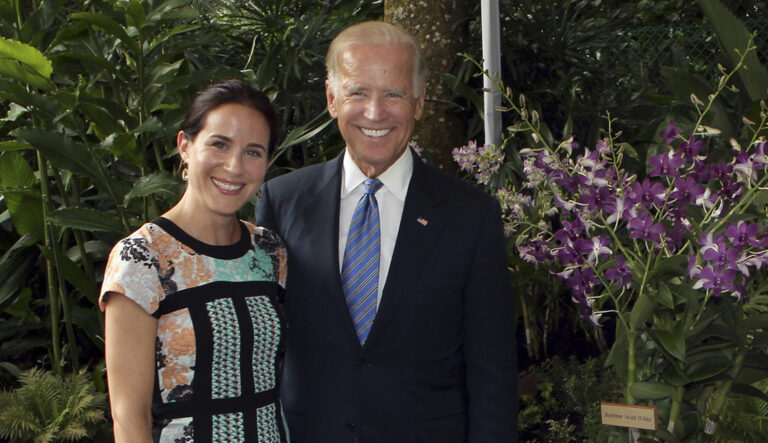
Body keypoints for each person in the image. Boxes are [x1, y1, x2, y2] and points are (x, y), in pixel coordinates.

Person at [255, 21, 518, 442]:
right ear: (331, 98)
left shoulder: (472, 215)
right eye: (358, 92)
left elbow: (493, 372)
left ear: (418, 102)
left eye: (393, 94)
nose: (375, 113)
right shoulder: (281, 202)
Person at [101, 79, 288, 442]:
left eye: (253, 152)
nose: (234, 167)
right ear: (185, 146)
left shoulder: (270, 251)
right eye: (219, 144)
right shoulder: (143, 256)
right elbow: (128, 417)